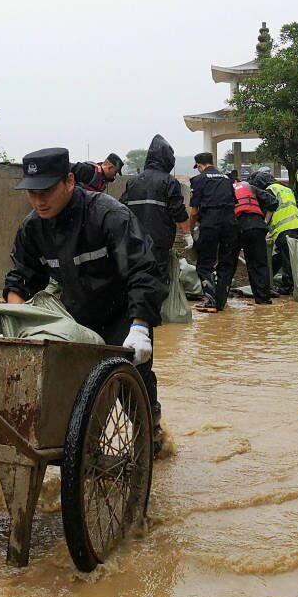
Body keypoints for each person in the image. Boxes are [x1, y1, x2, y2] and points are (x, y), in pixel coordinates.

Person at [2, 147, 165, 453]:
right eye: (31, 192)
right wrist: (17, 322)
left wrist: (140, 326)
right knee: (75, 391)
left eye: (46, 190)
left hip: (123, 314)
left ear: (69, 181)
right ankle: (86, 452)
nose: (39, 200)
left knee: (134, 383)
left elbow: (143, 271)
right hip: (75, 316)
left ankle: (150, 431)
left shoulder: (108, 216)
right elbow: (20, 279)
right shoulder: (33, 228)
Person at [121, 135, 190, 427]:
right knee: (151, 304)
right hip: (157, 254)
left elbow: (121, 212)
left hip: (129, 252)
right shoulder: (169, 182)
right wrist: (187, 235)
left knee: (131, 300)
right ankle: (146, 331)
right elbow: (179, 213)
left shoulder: (134, 182)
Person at [187, 152, 238, 312]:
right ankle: (221, 303)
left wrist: (189, 231)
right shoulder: (227, 179)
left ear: (200, 166)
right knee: (226, 263)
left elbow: (194, 212)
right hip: (230, 223)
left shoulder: (199, 180)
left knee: (204, 264)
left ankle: (210, 302)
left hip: (211, 223)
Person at [256, 168, 298, 295]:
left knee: (287, 260)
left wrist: (264, 225)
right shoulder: (286, 188)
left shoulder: (269, 190)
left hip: (284, 229)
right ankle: (269, 278)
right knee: (282, 256)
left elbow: (269, 210)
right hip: (297, 227)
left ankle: (287, 287)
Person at [233, 173, 277, 304]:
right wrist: (265, 221)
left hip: (239, 228)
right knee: (260, 264)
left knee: (234, 264)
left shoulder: (227, 190)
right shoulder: (250, 188)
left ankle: (221, 301)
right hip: (258, 227)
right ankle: (263, 300)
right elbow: (273, 202)